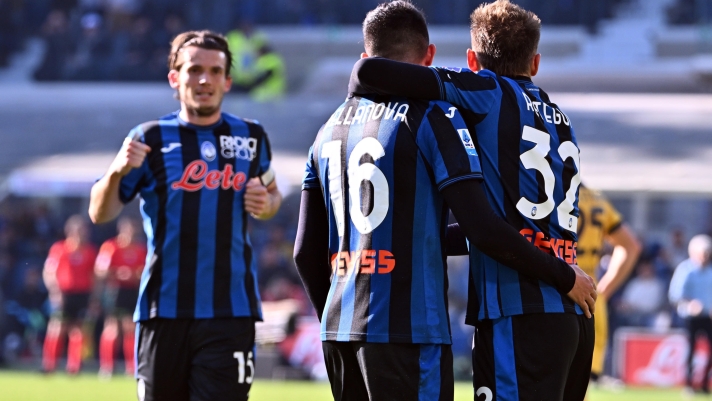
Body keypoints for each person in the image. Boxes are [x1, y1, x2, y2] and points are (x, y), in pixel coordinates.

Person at [294, 2, 595, 400]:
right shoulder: (558, 117)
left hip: (516, 310)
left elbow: (368, 72)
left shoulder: (481, 93)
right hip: (569, 307)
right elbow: (491, 225)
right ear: (536, 63)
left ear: (472, 61)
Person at [88, 30, 282, 401]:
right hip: (164, 309)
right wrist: (115, 170)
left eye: (214, 71)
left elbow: (272, 195)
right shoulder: (150, 138)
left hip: (231, 311)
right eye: (194, 70)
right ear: (175, 78)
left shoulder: (251, 137)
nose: (204, 80)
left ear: (228, 80)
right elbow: (100, 212)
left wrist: (267, 202)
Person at [576, 185, 641, 388]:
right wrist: (605, 289)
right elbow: (631, 246)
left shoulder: (550, 190)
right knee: (580, 381)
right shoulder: (597, 199)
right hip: (591, 296)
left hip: (554, 290)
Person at [42, 215, 97, 374]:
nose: (82, 234)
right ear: (70, 231)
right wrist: (54, 291)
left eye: (84, 231)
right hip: (64, 293)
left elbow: (94, 276)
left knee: (79, 330)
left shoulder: (90, 251)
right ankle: (49, 365)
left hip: (83, 294)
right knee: (57, 327)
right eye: (79, 231)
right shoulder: (59, 249)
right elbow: (49, 272)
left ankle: (74, 366)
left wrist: (94, 298)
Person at [94, 217, 147, 377]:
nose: (132, 233)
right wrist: (118, 272)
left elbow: (145, 271)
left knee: (131, 328)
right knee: (112, 327)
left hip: (133, 291)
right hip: (115, 291)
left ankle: (132, 366)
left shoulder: (140, 249)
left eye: (134, 229)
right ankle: (107, 367)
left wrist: (135, 274)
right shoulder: (111, 247)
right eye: (129, 229)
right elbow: (100, 271)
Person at [680, 248, 712, 394]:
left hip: (708, 317)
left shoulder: (710, 272)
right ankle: (689, 384)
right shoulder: (686, 270)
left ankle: (705, 384)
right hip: (691, 317)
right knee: (691, 351)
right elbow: (676, 294)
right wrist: (691, 304)